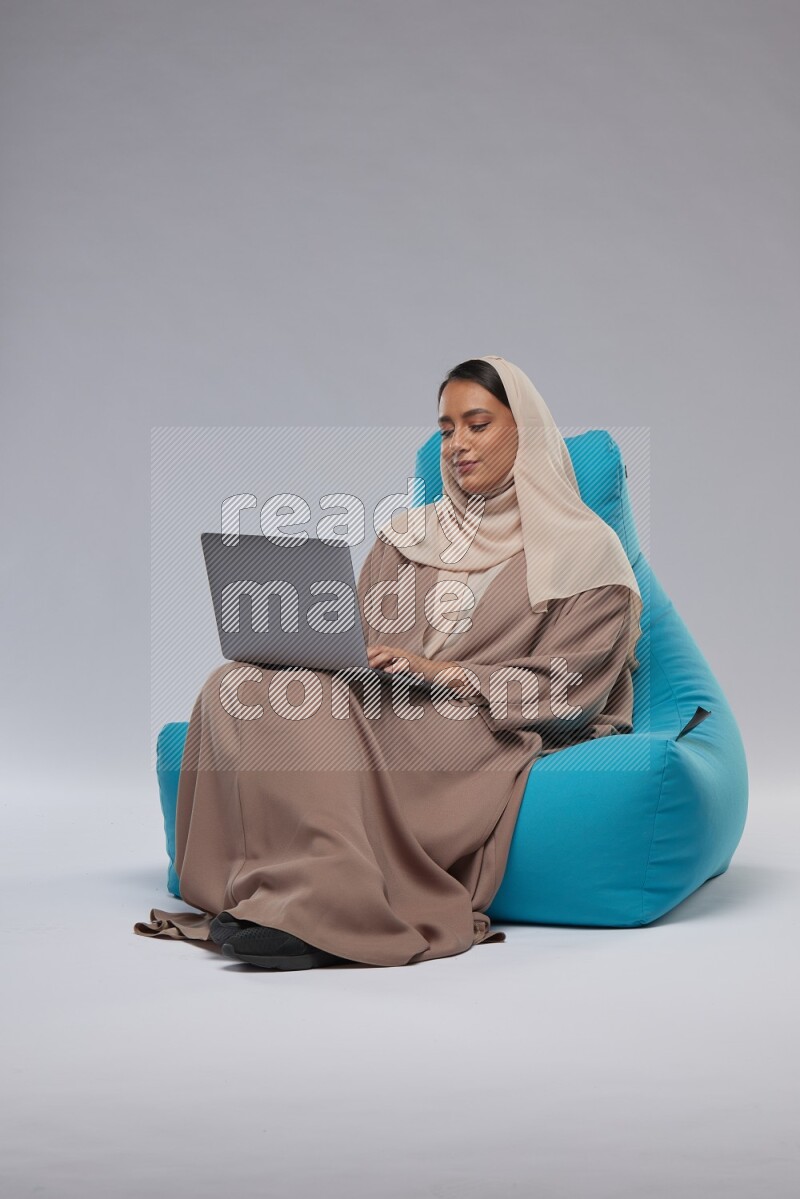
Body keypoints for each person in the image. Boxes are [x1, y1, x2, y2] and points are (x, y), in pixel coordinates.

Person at [134, 354, 643, 970]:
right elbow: (362, 640)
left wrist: (445, 674)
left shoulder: (584, 549)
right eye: (446, 428)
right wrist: (314, 651)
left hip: (480, 724)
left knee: (312, 713)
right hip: (386, 702)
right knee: (233, 684)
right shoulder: (407, 535)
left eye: (477, 424)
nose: (457, 444)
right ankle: (265, 892)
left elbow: (576, 685)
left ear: (524, 431)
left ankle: (330, 910)